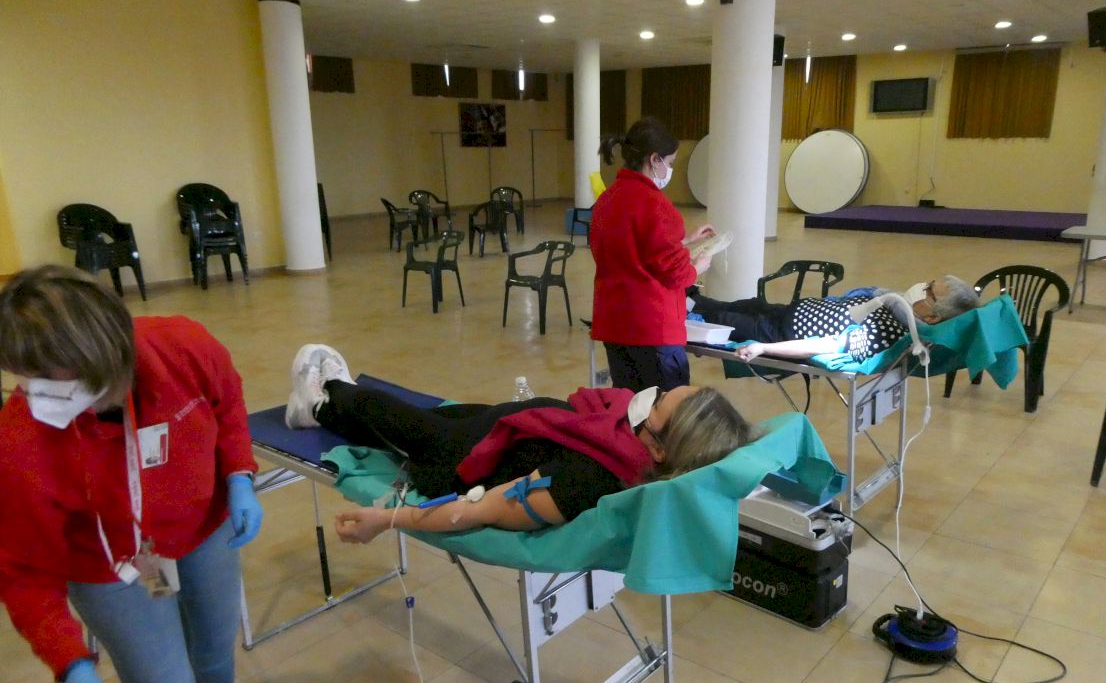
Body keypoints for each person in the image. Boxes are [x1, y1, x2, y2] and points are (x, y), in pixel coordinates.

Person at [0, 266, 262, 683]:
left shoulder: (183, 347)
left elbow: (227, 404)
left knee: (213, 650)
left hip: (203, 528)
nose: (39, 395)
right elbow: (24, 573)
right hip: (115, 562)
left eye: (53, 379)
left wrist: (239, 476)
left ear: (108, 356)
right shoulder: (21, 442)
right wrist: (73, 665)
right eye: (28, 378)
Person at [282, 344, 754, 543]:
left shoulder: (582, 482)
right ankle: (334, 408)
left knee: (395, 416)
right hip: (505, 430)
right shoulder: (632, 442)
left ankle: (323, 400)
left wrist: (386, 520)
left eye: (659, 406)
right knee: (410, 424)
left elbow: (476, 509)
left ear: (659, 450)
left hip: (459, 462)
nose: (650, 398)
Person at [590, 116, 719, 393]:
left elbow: (628, 249)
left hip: (615, 325)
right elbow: (676, 275)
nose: (669, 169)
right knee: (666, 408)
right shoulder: (657, 206)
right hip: (652, 328)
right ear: (654, 159)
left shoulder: (606, 200)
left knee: (630, 407)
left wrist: (684, 240)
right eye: (670, 163)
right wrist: (696, 267)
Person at [688, 275, 978, 363]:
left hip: (781, 334)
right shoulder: (893, 303)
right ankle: (686, 296)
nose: (921, 288)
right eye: (929, 283)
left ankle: (679, 307)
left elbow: (827, 345)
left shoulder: (892, 333)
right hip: (789, 312)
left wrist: (763, 348)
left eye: (929, 292)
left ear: (934, 317)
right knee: (738, 304)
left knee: (723, 318)